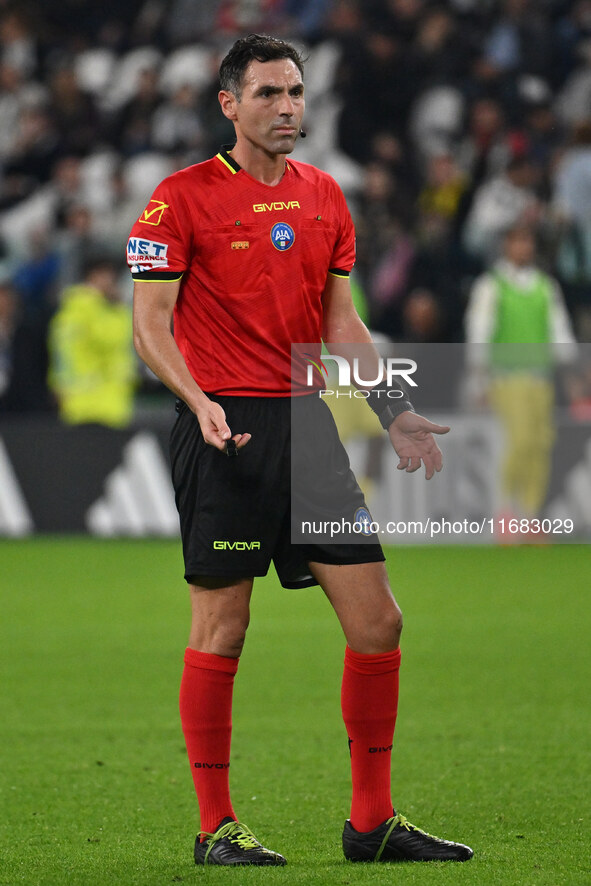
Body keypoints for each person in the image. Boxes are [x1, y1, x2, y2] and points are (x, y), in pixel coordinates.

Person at [128, 34, 473, 867]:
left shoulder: (326, 196)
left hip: (306, 423)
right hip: (225, 428)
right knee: (222, 627)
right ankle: (216, 828)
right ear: (228, 104)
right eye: (267, 94)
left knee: (378, 621)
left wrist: (392, 407)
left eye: (294, 92)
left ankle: (371, 822)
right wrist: (198, 398)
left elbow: (339, 325)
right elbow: (150, 325)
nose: (287, 108)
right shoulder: (177, 200)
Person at [465, 223, 577, 527]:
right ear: (506, 245)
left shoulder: (545, 286)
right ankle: (505, 511)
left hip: (541, 377)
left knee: (540, 444)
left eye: (528, 241)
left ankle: (530, 515)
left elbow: (559, 333)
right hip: (508, 376)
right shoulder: (491, 285)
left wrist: (572, 376)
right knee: (519, 442)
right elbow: (479, 334)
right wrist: (479, 379)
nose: (523, 248)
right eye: (518, 241)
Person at [48, 261, 137, 427]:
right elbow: (110, 338)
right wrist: (118, 307)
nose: (111, 282)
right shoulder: (89, 308)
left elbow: (59, 353)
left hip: (83, 400)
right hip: (98, 400)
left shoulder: (70, 308)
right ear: (93, 277)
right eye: (106, 276)